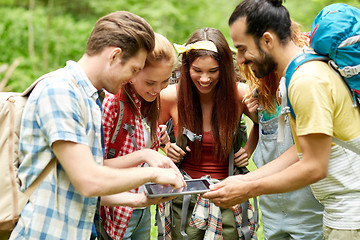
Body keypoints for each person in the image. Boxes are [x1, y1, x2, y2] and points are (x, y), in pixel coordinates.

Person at [10, 11, 185, 240]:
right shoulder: (60, 91)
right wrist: (151, 173)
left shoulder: (90, 99)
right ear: (114, 56)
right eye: (133, 69)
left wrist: (138, 200)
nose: (130, 79)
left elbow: (76, 186)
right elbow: (89, 181)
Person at [203, 0, 360, 239]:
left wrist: (248, 189)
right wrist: (237, 182)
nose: (241, 59)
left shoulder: (306, 81)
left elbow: (314, 167)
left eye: (243, 48)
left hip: (350, 217)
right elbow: (302, 149)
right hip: (340, 214)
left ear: (267, 40)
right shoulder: (299, 73)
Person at [159, 27, 258, 240]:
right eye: (197, 70)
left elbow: (266, 122)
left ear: (224, 68)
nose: (205, 79)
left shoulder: (239, 93)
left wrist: (249, 147)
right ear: (186, 67)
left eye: (213, 71)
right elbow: (147, 132)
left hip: (229, 193)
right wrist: (166, 146)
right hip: (184, 197)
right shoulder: (170, 96)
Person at [237, 21, 324, 239]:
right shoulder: (260, 92)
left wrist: (248, 185)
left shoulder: (302, 84)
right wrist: (256, 119)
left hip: (308, 210)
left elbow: (305, 150)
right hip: (272, 208)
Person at [99, 32, 177, 240]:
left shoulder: (149, 101)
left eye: (165, 81)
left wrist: (158, 143)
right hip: (116, 209)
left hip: (143, 203)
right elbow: (96, 166)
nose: (158, 89)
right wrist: (143, 154)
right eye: (150, 82)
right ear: (133, 72)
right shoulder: (113, 104)